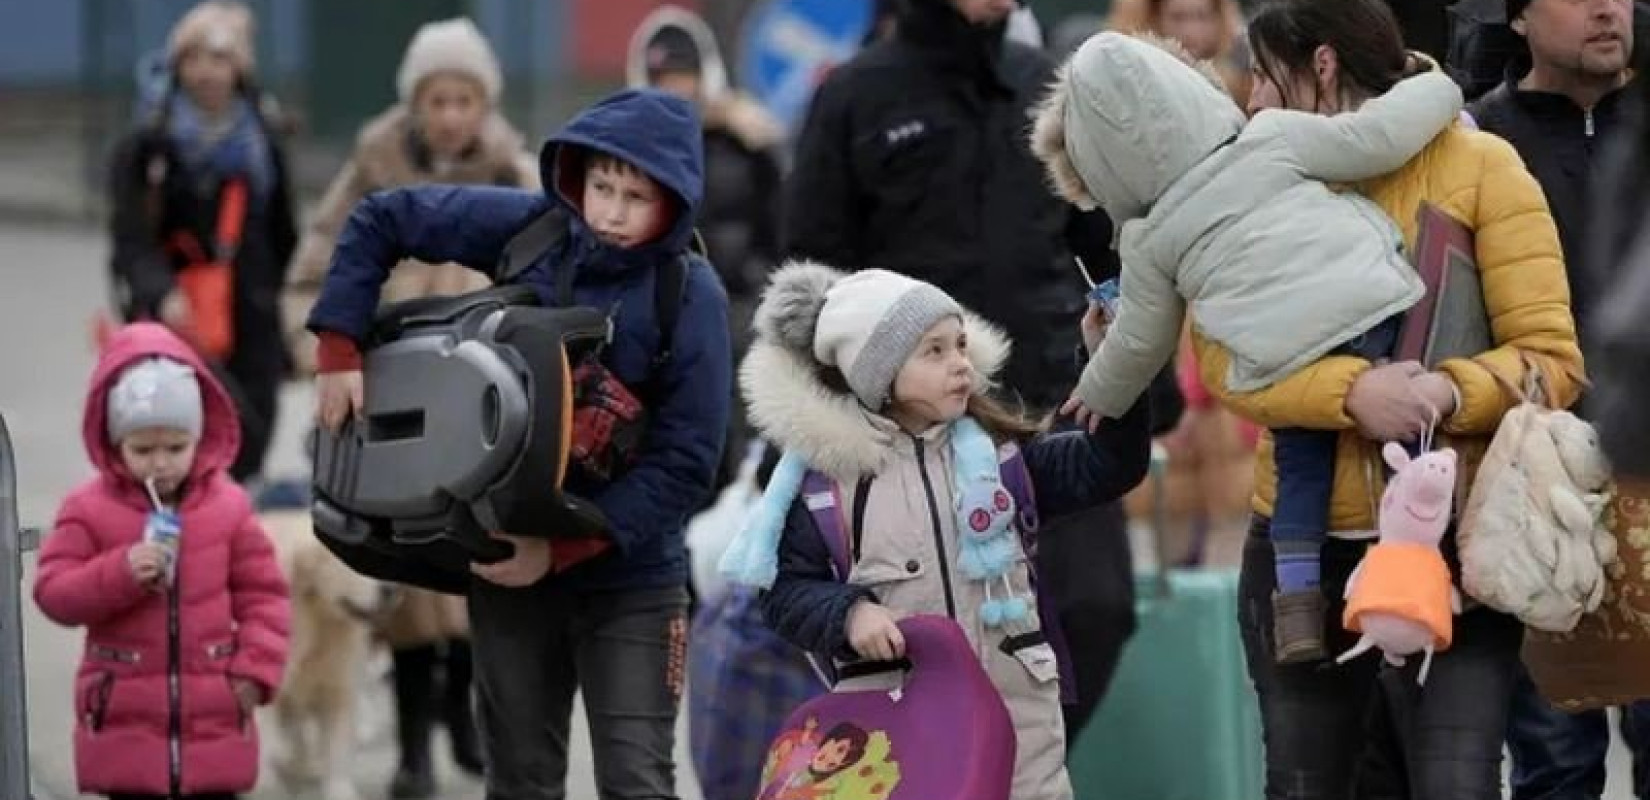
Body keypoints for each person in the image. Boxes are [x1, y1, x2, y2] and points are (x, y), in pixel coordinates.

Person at [1192, 0, 1584, 796]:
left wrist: (1447, 388)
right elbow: (1223, 356)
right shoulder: (1255, 176)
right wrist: (1351, 395)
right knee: (1307, 782)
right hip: (1300, 550)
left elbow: (1550, 360)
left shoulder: (1482, 167)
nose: (1254, 102)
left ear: (1323, 67)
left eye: (1265, 77)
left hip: (1455, 545)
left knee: (1457, 782)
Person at [305, 87, 730, 800]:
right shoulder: (535, 230)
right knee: (520, 783)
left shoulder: (690, 295)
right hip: (507, 567)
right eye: (601, 187)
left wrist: (564, 549)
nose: (612, 212)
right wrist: (340, 349)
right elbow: (384, 216)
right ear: (578, 177)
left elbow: (689, 463)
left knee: (637, 782)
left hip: (634, 583)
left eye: (636, 197)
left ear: (675, 203)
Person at [1040, 31, 1463, 663]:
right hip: (1370, 304)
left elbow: (1140, 339)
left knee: (1301, 464)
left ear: (1097, 166)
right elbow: (1376, 138)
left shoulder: (1148, 240)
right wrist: (1438, 85)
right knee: (1408, 448)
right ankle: (1415, 571)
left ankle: (1296, 607)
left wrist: (1097, 390)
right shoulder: (1272, 138)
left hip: (1284, 354)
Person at [722, 262, 1151, 800]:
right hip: (901, 747)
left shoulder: (1005, 460)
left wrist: (1113, 364)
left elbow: (1111, 465)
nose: (960, 365)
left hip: (1024, 745)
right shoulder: (828, 489)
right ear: (876, 371)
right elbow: (784, 594)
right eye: (935, 351)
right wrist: (849, 613)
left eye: (961, 346)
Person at [282, 18, 533, 797]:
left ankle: (464, 717)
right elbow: (314, 273)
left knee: (474, 569)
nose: (451, 114)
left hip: (488, 408)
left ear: (483, 101)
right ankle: (413, 745)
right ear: (415, 103)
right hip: (390, 404)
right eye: (437, 98)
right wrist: (330, 354)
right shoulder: (372, 169)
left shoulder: (516, 173)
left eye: (464, 98)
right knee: (403, 581)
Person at [1469, 0, 1650, 795]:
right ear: (1516, 17)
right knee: (1554, 767)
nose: (1607, 8)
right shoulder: (1473, 143)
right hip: (1536, 489)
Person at [34, 322, 291, 800]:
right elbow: (54, 593)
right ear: (114, 443)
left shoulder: (228, 507)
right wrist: (121, 572)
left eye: (176, 447)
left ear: (199, 436)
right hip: (123, 728)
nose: (160, 463)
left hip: (215, 720)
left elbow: (266, 596)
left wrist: (255, 669)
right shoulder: (87, 509)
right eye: (142, 449)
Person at [106, 0, 299, 483]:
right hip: (175, 315)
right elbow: (130, 237)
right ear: (177, 66)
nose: (207, 73)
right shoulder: (148, 145)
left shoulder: (263, 140)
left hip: (251, 312)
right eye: (194, 59)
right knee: (176, 438)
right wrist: (160, 291)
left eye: (220, 59)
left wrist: (295, 320)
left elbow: (284, 235)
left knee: (251, 434)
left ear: (240, 69)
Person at [626, 4, 784, 493]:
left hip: (737, 313)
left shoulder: (747, 144)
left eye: (683, 75)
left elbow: (782, 227)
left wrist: (756, 288)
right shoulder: (626, 150)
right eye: (661, 77)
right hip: (661, 322)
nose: (675, 88)